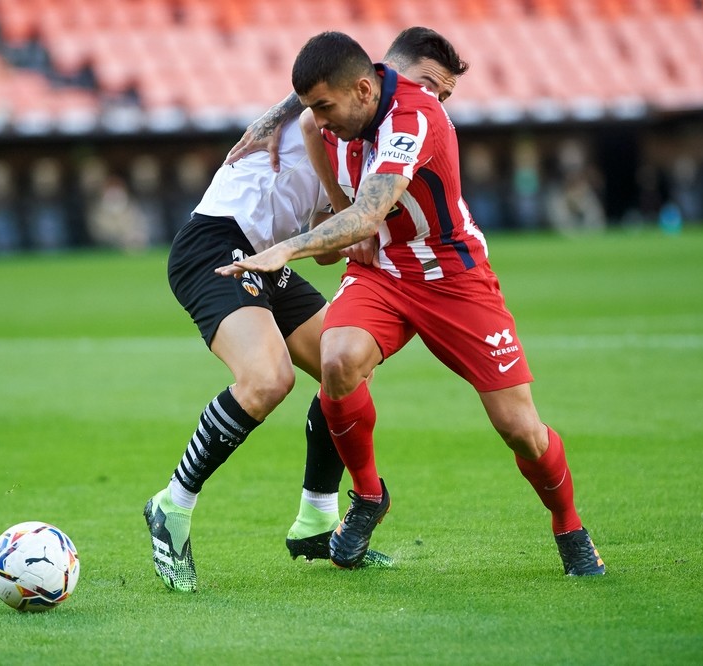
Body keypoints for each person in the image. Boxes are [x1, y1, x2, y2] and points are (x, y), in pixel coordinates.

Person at [218, 31, 605, 576]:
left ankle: (569, 527)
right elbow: (340, 201)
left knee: (519, 427)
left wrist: (287, 249)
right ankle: (369, 497)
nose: (321, 119)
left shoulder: (415, 118)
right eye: (315, 107)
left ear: (363, 90)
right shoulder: (323, 120)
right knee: (336, 360)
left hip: (454, 277)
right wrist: (318, 189)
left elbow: (366, 216)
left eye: (327, 107)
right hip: (383, 273)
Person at [143, 30, 464, 592]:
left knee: (343, 366)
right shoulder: (333, 106)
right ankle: (170, 506)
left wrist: (345, 230)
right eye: (431, 86)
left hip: (269, 254)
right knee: (268, 379)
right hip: (217, 244)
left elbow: (333, 243)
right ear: (382, 73)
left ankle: (316, 520)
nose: (435, 102)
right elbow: (311, 102)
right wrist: (282, 115)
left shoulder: (383, 136)